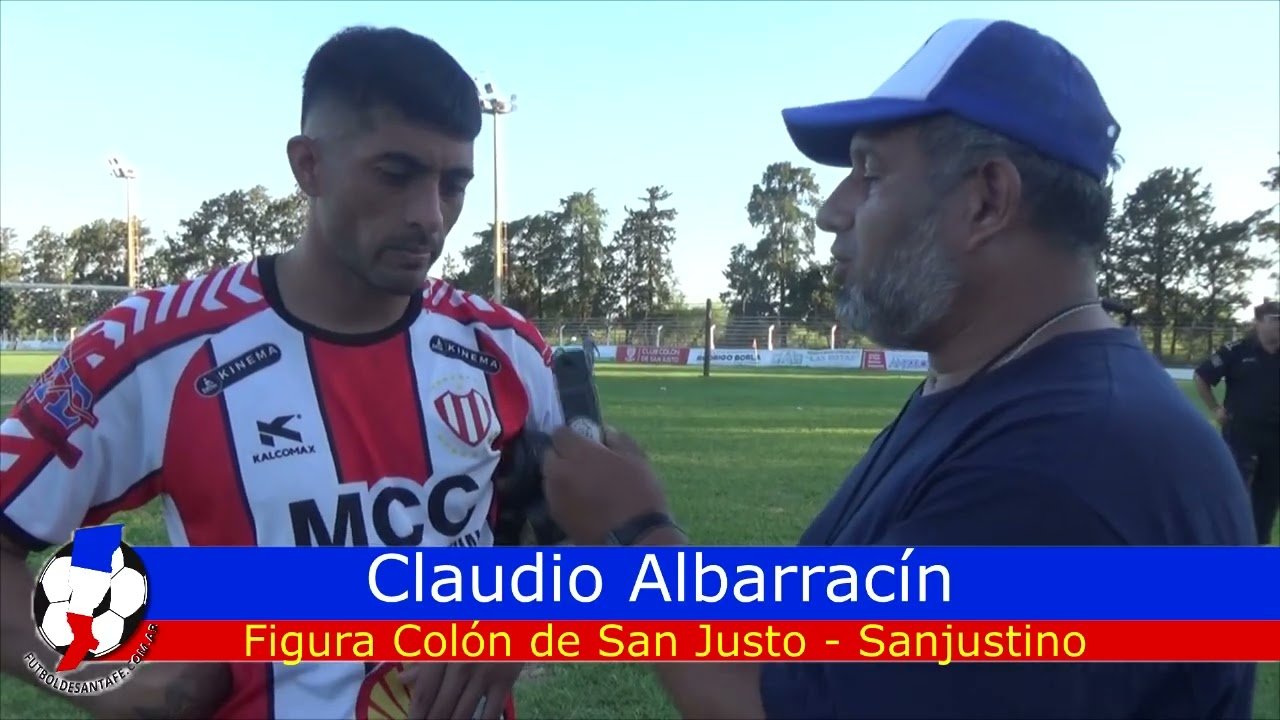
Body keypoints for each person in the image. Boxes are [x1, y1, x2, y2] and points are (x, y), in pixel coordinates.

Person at [540, 18, 1257, 720]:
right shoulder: (999, 393)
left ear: (986, 200)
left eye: (870, 174)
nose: (831, 211)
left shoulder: (1073, 464)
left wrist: (637, 537)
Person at [0, 26, 560, 720]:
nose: (429, 215)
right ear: (309, 166)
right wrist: (101, 682)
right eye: (396, 175)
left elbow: (578, 530)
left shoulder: (506, 349)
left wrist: (523, 617)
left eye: (453, 184)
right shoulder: (157, 348)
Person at [1195, 300, 1280, 545]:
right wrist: (1215, 408)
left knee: (1269, 494)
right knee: (1234, 491)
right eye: (1276, 319)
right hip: (1241, 434)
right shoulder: (1236, 351)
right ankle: (1227, 541)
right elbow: (1202, 376)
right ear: (1258, 322)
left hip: (1275, 438)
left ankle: (1258, 544)